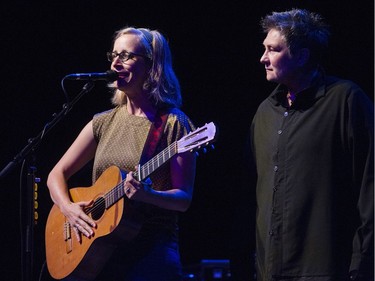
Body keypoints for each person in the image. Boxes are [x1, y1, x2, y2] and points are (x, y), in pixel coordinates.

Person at [46, 26, 197, 281]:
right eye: (114, 55)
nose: (115, 63)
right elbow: (56, 174)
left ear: (153, 66)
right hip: (100, 249)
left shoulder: (174, 124)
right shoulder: (103, 122)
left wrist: (148, 195)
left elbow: (183, 198)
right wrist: (68, 208)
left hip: (152, 251)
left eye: (126, 56)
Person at [243, 8, 374, 281]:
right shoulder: (265, 112)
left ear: (302, 56)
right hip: (271, 270)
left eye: (273, 50)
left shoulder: (345, 101)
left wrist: (362, 265)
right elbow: (256, 194)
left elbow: (369, 188)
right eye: (264, 48)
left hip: (326, 268)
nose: (263, 58)